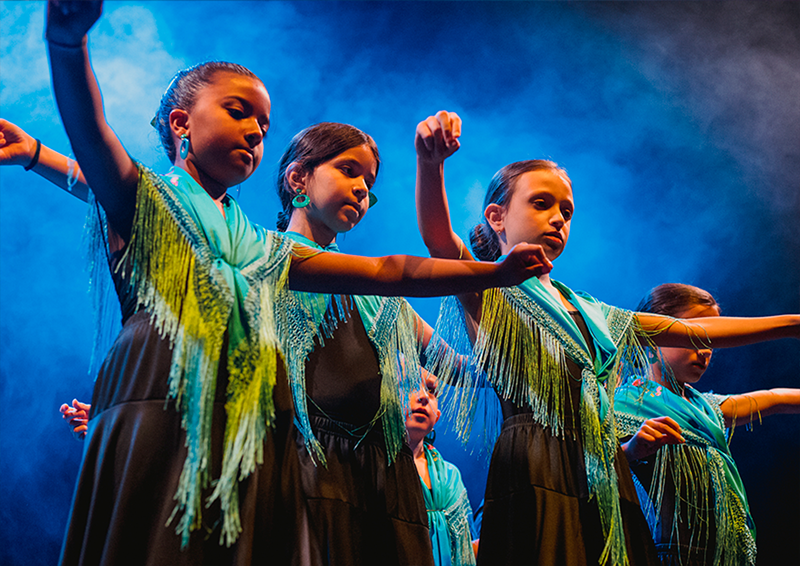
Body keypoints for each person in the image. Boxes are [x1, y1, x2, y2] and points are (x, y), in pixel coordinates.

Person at [38, 3, 552, 564]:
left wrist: (497, 280)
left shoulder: (265, 253)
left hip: (292, 441)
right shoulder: (201, 223)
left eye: (263, 126)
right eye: (238, 112)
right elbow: (94, 147)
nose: (255, 131)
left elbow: (389, 274)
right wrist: (66, 47)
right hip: (214, 415)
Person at [413, 110, 800, 566]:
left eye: (566, 211)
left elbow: (694, 331)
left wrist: (792, 323)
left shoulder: (593, 311)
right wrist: (431, 165)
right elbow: (441, 244)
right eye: (541, 203)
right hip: (538, 456)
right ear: (496, 217)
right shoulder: (492, 288)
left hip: (603, 468)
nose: (558, 218)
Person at [615, 283, 800, 566]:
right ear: (654, 335)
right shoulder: (621, 403)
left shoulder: (708, 409)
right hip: (662, 555)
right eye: (697, 333)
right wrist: (631, 449)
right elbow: (590, 470)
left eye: (712, 338)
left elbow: (775, 398)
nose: (706, 349)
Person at [406, 370, 476, 566]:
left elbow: (465, 551)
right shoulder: (376, 469)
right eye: (410, 385)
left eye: (431, 390)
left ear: (437, 416)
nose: (423, 396)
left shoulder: (451, 476)